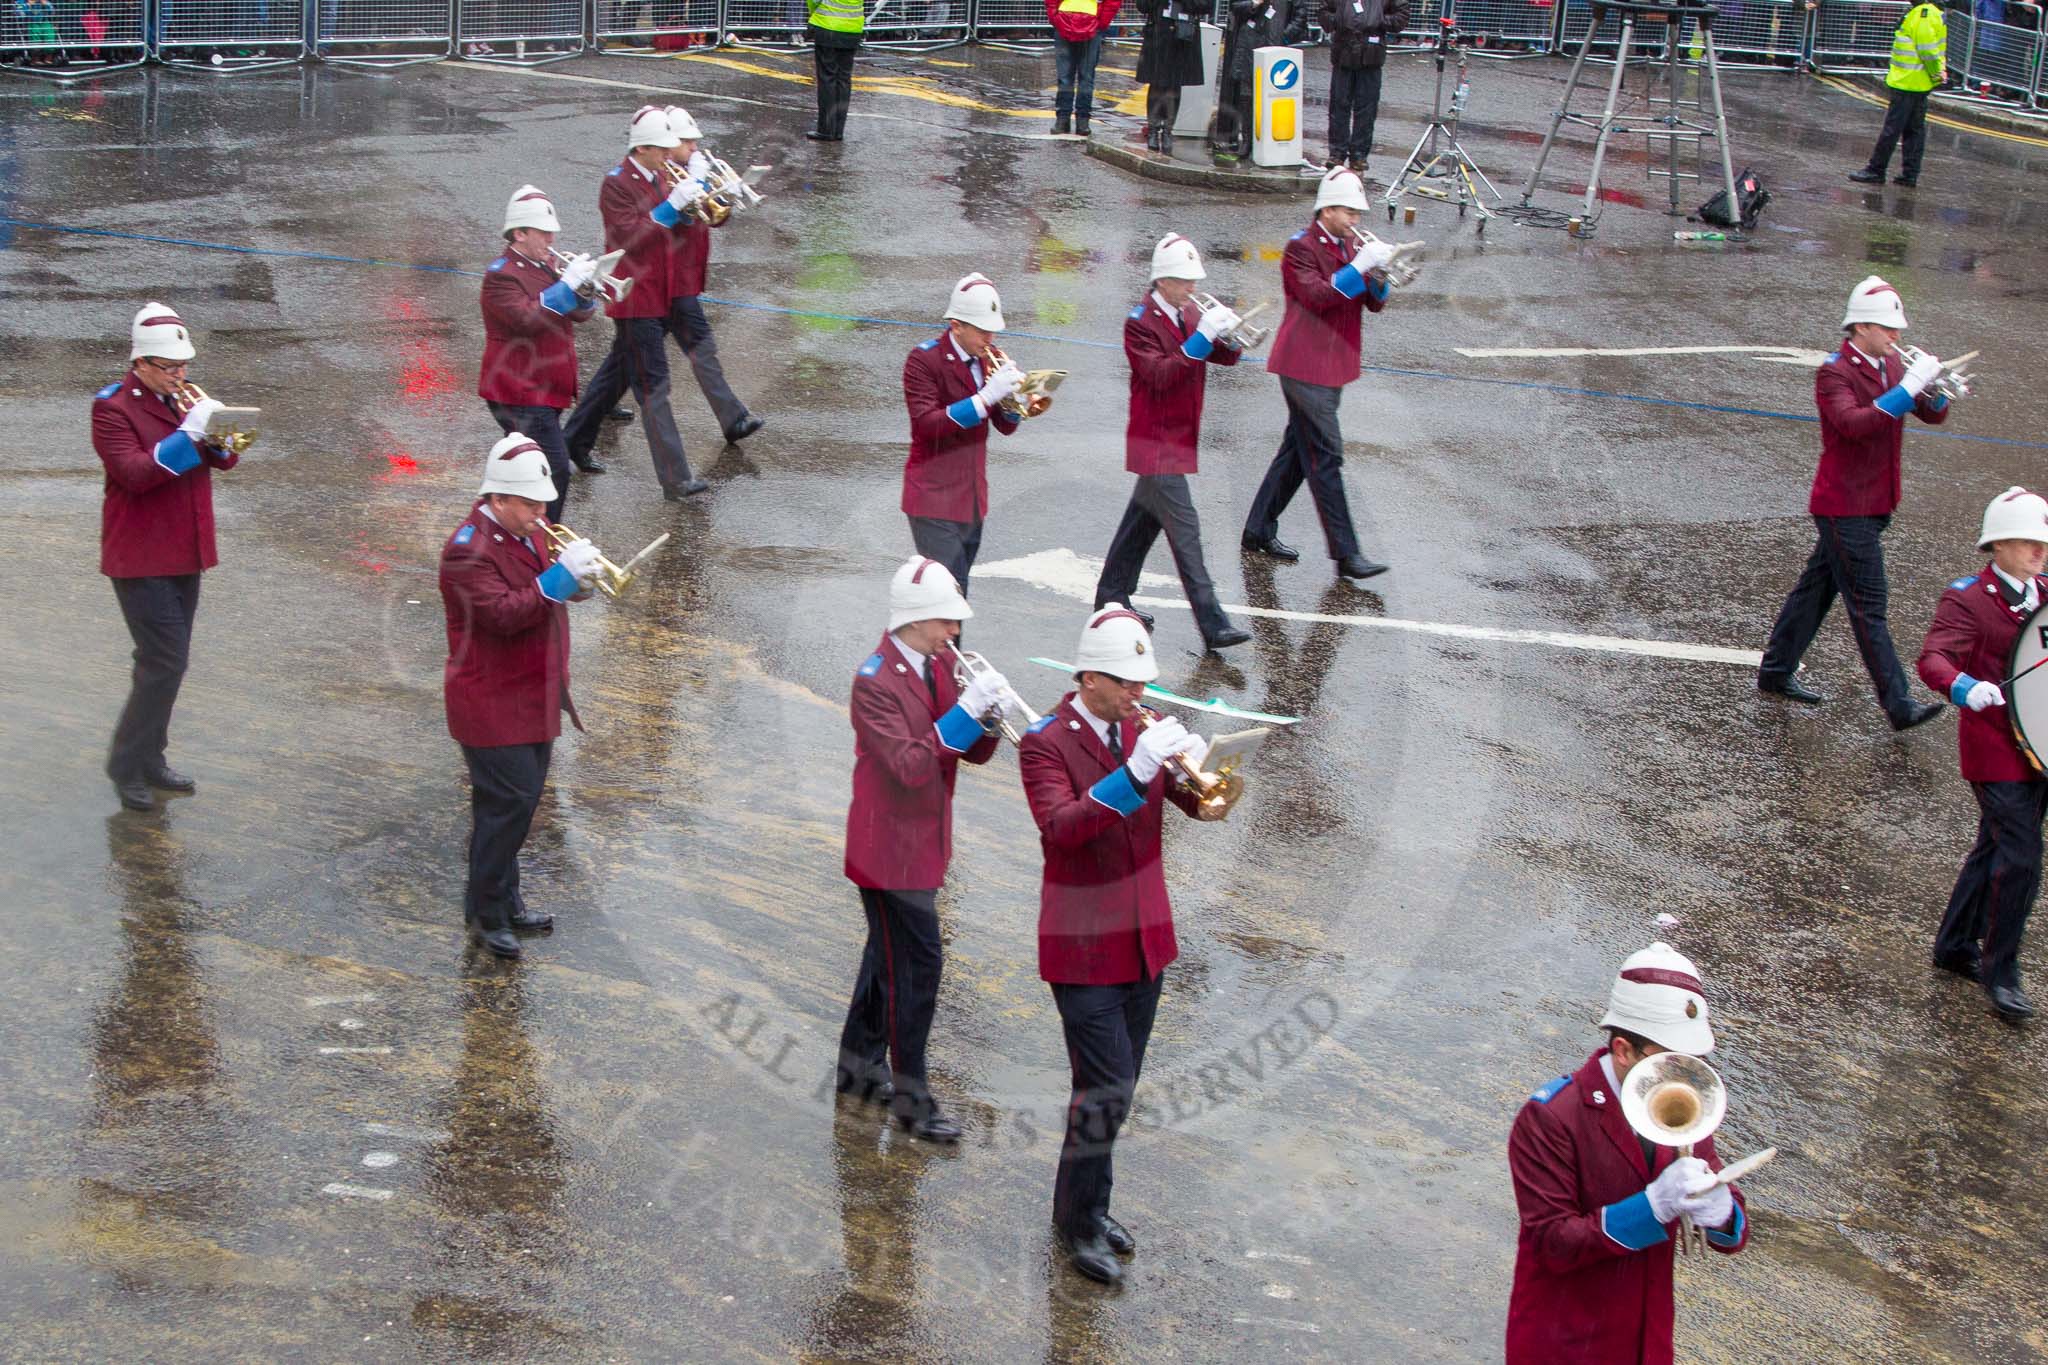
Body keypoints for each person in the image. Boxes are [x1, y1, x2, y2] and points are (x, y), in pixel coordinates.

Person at [1019, 606, 1218, 1285]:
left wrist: (1200, 767)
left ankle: (1090, 1207)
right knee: (1101, 1089)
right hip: (1082, 947)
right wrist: (1134, 771)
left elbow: (1198, 805)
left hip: (1143, 938)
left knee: (1118, 1089)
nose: (1140, 694)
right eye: (1128, 683)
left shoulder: (1139, 728)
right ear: (1090, 678)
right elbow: (1062, 828)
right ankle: (1077, 1226)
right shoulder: (1045, 742)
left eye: (1143, 683)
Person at [1505, 943, 1751, 1364]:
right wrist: (1650, 1208)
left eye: (1692, 1060)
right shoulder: (1551, 1117)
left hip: (1647, 1343)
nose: (1684, 1075)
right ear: (1623, 1050)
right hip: (1566, 1346)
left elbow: (1729, 1228)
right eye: (1670, 1060)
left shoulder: (1685, 1101)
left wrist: (1724, 1214)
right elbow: (1553, 1243)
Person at [836, 556, 1007, 1140]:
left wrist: (987, 719)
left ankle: (858, 1068)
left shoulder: (938, 665)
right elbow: (911, 766)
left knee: (886, 957)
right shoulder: (874, 681)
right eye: (946, 621)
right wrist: (964, 713)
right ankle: (912, 1100)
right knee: (917, 968)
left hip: (923, 841)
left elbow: (969, 752)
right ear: (914, 619)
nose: (955, 632)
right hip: (887, 851)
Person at [1756, 275, 1949, 730]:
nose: (1896, 336)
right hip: (1845, 508)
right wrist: (1908, 388)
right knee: (1869, 606)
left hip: (1875, 501)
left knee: (1816, 590)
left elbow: (1933, 413)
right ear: (1861, 327)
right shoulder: (1835, 372)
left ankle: (1776, 670)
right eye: (1888, 328)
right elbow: (1855, 424)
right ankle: (1899, 705)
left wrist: (1935, 387)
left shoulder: (1893, 365)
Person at [439, 434, 602, 959]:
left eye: (542, 503)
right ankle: (485, 916)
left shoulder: (528, 529)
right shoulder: (467, 552)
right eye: (530, 504)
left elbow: (551, 589)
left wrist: (581, 581)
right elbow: (503, 615)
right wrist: (558, 581)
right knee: (505, 809)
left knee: (519, 805)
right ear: (498, 497)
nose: (541, 513)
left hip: (532, 693)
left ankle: (505, 903)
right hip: (491, 702)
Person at [93, 302, 242, 812]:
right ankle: (126, 764)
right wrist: (189, 434)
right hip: (140, 555)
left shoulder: (184, 400)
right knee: (165, 662)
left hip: (185, 550)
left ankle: (151, 758)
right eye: (169, 367)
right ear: (141, 363)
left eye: (183, 366)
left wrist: (222, 429)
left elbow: (227, 460)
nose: (180, 375)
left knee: (165, 665)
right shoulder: (113, 408)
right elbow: (135, 474)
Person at [1915, 487, 2048, 1022]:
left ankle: (1953, 945)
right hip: (1994, 748)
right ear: (1999, 544)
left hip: (2039, 741)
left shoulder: (2045, 590)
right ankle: (2002, 972)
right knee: (2022, 856)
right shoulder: (1968, 598)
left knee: (1994, 845)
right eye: (2029, 541)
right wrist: (1964, 686)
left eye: (2043, 542)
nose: (2040, 551)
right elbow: (1933, 658)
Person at [1094, 233, 1252, 653]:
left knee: (1141, 524)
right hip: (1156, 441)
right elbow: (1161, 375)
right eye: (1184, 281)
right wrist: (1202, 337)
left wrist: (1230, 335)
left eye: (1194, 280)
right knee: (1186, 531)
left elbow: (1225, 357)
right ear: (1162, 281)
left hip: (1180, 437)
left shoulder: (1190, 312)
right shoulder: (1140, 323)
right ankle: (1213, 622)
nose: (1192, 288)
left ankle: (1110, 596)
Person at [1241, 166, 1399, 586]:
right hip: (1302, 366)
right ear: (1327, 209)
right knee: (1326, 455)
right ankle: (1346, 554)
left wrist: (1381, 274)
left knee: (1297, 451)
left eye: (1357, 213)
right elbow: (1316, 296)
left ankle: (1258, 529)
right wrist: (1360, 266)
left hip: (1334, 366)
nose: (1355, 220)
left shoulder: (1353, 244)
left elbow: (1375, 303)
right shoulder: (1301, 248)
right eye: (1349, 212)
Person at [560, 106, 709, 501]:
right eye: (661, 148)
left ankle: (573, 440)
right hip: (637, 299)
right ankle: (675, 477)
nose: (669, 153)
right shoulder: (617, 184)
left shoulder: (659, 174)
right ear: (641, 148)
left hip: (661, 295)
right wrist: (670, 209)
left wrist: (694, 203)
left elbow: (676, 234)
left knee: (616, 375)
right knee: (654, 388)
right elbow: (629, 238)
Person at [900, 273, 1048, 595]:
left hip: (971, 499)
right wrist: (985, 397)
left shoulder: (988, 359)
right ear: (956, 326)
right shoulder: (923, 360)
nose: (989, 338)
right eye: (982, 331)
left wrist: (1014, 401)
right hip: (932, 499)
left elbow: (1005, 427)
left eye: (993, 331)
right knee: (947, 596)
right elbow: (927, 425)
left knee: (957, 593)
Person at [479, 183, 602, 522]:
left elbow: (580, 315)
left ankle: (517, 532)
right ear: (519, 233)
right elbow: (526, 319)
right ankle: (542, 537)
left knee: (524, 471)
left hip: (544, 388)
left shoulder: (545, 266)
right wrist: (565, 286)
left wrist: (585, 290)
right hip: (520, 391)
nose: (551, 239)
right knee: (553, 470)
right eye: (543, 232)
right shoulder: (501, 276)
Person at [660, 106, 766, 449]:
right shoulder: (662, 176)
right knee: (702, 348)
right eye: (687, 142)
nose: (694, 148)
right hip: (670, 280)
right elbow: (671, 220)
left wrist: (725, 196)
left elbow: (711, 217)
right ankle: (732, 418)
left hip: (685, 276)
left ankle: (597, 409)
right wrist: (696, 184)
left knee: (628, 355)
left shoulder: (688, 171)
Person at [1847, 0, 1945, 188]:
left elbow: (1927, 50)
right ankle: (1910, 174)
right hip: (1917, 82)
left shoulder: (1923, 13)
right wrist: (1935, 76)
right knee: (1914, 130)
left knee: (1892, 129)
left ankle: (1876, 170)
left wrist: (1935, 74)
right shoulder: (1927, 12)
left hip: (1908, 81)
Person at [1320, 0, 1410, 174]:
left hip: (1371, 56)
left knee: (1367, 109)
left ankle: (1359, 154)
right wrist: (1339, 19)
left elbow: (1402, 16)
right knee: (1339, 105)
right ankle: (1337, 152)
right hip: (1343, 53)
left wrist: (1379, 20)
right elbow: (1324, 12)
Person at [1213, 0, 1284, 161]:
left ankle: (1267, 142)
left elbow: (1298, 16)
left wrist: (1285, 36)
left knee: (1272, 99)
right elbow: (1236, 7)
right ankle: (1247, 139)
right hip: (1249, 48)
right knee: (1247, 97)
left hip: (1275, 48)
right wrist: (1254, 3)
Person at [1135, 0, 1203, 152]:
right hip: (1158, 33)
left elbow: (1205, 6)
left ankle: (1167, 131)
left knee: (1175, 85)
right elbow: (1142, 6)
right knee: (1156, 84)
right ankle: (1153, 130)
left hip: (1183, 35)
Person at [1047, 0, 1120, 136]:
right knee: (1082, 77)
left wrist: (1054, 16)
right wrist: (1101, 23)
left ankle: (1067, 118)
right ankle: (1079, 120)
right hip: (1083, 24)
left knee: (1069, 77)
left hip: (1070, 22)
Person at [805, 0, 862, 142]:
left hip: (827, 25)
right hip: (853, 28)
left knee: (827, 78)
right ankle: (838, 130)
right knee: (844, 79)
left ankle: (826, 129)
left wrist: (813, 14)